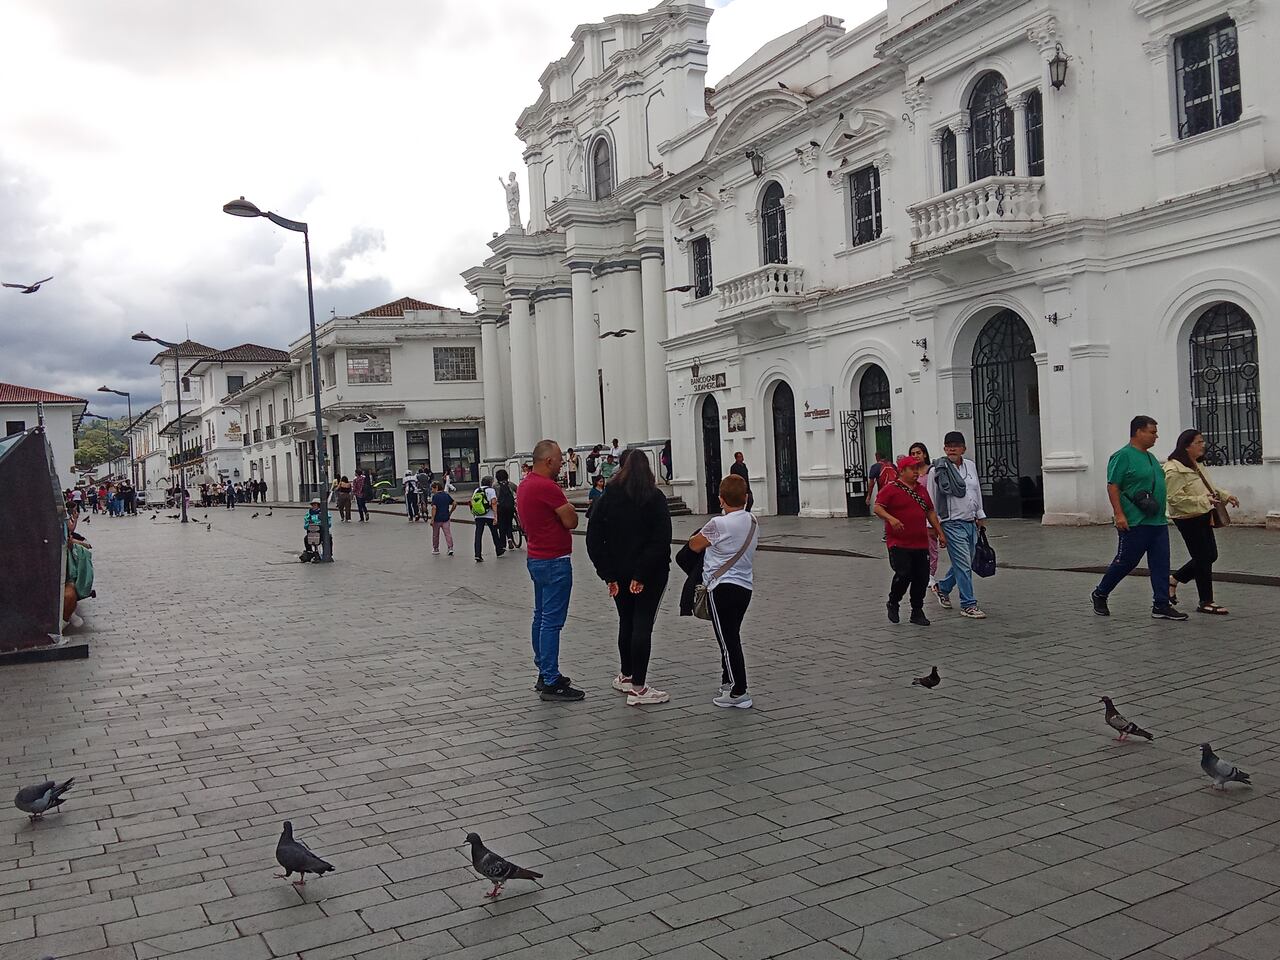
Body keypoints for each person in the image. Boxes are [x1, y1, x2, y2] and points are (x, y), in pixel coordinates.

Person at [587, 449, 673, 706]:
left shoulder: (607, 497)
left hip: (618, 573)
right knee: (643, 623)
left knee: (626, 620)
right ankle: (639, 688)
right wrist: (642, 573)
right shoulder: (654, 497)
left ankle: (626, 675)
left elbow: (594, 540)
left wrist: (608, 574)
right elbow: (661, 540)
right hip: (650, 574)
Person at [1092, 416, 1187, 620]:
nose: (1156, 436)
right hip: (1135, 521)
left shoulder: (1151, 457)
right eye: (1152, 432)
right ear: (1138, 432)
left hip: (1157, 521)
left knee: (1161, 563)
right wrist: (1119, 514)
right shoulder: (1122, 456)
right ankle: (1100, 593)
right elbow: (1113, 486)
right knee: (1126, 562)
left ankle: (1161, 604)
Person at [517, 439, 584, 702]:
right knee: (551, 622)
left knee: (541, 615)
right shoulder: (548, 487)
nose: (561, 464)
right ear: (548, 462)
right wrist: (566, 511)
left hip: (536, 557)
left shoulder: (525, 485)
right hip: (555, 560)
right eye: (558, 460)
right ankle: (551, 678)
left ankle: (543, 671)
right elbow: (571, 520)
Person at [687, 474, 759, 709]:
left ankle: (739, 691)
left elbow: (694, 545)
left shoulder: (719, 524)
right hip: (744, 586)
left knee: (727, 640)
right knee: (731, 635)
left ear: (721, 500)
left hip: (721, 587)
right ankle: (728, 682)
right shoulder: (752, 521)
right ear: (746, 498)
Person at [1165, 430, 1240, 615]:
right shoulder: (1173, 469)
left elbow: (1208, 487)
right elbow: (1173, 499)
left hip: (1203, 514)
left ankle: (1173, 580)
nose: (1203, 444)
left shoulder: (1196, 464)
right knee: (1203, 557)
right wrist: (1203, 500)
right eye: (1199, 442)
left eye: (1202, 441)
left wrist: (1225, 495)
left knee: (1210, 555)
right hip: (1187, 518)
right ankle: (1205, 601)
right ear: (1187, 445)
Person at [876, 456, 947, 626]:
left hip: (920, 542)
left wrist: (940, 532)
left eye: (917, 468)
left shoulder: (921, 490)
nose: (916, 472)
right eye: (912, 469)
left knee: (922, 577)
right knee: (904, 573)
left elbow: (930, 511)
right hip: (898, 542)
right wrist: (891, 519)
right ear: (902, 471)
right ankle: (893, 602)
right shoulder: (891, 489)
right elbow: (877, 507)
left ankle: (917, 611)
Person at [927, 431, 988, 619]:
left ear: (963, 448)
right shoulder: (937, 470)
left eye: (956, 445)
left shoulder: (970, 466)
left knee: (966, 563)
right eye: (948, 445)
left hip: (970, 521)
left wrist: (980, 514)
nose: (952, 448)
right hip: (951, 523)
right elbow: (930, 499)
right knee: (963, 564)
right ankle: (968, 603)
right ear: (944, 448)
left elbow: (975, 490)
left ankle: (942, 587)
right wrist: (932, 527)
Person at [909, 443, 938, 586]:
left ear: (924, 454)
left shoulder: (931, 471)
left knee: (931, 545)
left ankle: (931, 574)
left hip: (928, 514)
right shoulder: (910, 473)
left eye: (918, 453)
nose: (916, 456)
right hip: (914, 516)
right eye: (913, 453)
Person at [471, 475, 504, 562]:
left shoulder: (477, 490)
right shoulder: (491, 490)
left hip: (478, 515)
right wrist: (495, 516)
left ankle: (477, 554)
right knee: (494, 533)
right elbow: (493, 502)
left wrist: (474, 514)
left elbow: (472, 502)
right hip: (489, 515)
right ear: (490, 482)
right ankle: (499, 550)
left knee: (478, 534)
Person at [429, 480, 456, 555]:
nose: (432, 490)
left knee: (435, 534)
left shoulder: (435, 497)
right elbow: (454, 503)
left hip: (437, 519)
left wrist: (432, 519)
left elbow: (434, 508)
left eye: (432, 489)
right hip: (446, 518)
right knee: (448, 534)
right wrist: (450, 512)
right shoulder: (446, 495)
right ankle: (450, 548)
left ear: (436, 488)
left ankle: (436, 548)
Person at [494, 468, 518, 549]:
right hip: (510, 507)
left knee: (502, 525)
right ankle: (510, 538)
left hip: (500, 507)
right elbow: (518, 490)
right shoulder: (510, 484)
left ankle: (503, 544)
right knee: (509, 523)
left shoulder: (495, 486)